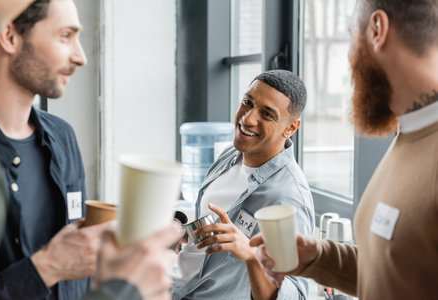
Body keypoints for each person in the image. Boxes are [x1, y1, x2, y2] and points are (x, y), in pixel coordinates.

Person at [0, 1, 182, 300]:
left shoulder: (61, 136)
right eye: (65, 36)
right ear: (10, 36)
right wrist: (48, 267)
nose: (81, 57)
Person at [250, 1, 438, 299]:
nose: (349, 59)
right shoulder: (408, 134)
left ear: (377, 30)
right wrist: (317, 258)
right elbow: (400, 269)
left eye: (352, 36)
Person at [171, 70, 315, 300]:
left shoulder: (287, 198)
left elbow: (296, 295)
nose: (247, 119)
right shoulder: (231, 154)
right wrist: (185, 234)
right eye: (248, 102)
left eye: (267, 114)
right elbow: (212, 235)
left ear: (291, 128)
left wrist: (251, 254)